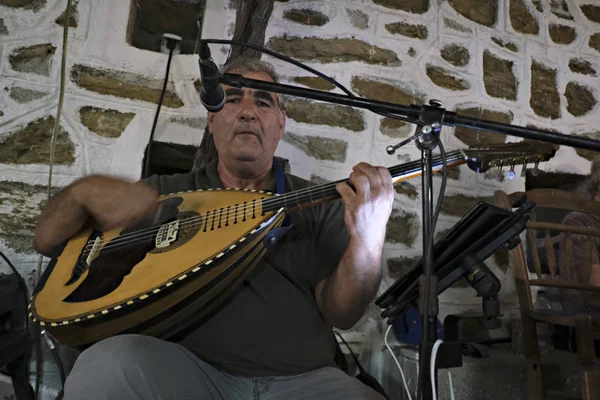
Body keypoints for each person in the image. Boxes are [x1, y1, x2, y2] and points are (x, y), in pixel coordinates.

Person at [33, 57, 394, 400]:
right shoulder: (165, 192)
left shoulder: (319, 202)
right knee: (104, 366)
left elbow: (343, 315)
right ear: (212, 119)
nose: (248, 111)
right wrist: (82, 192)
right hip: (186, 374)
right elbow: (46, 241)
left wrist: (368, 237)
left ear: (280, 124)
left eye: (264, 103)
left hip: (302, 380)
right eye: (233, 98)